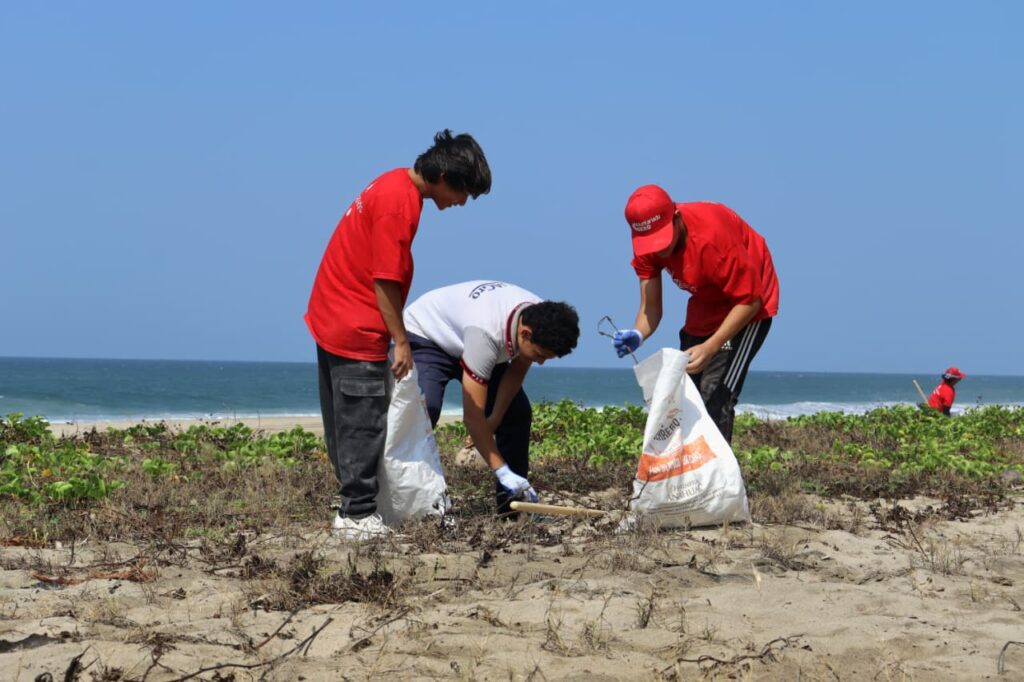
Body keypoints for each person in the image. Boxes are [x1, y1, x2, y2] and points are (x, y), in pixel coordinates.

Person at [305, 130, 491, 540]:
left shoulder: (393, 182)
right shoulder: (399, 203)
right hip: (355, 324)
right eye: (462, 192)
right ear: (442, 175)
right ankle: (357, 515)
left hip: (331, 313)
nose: (462, 202)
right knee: (363, 423)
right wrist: (402, 341)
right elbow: (385, 279)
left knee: (345, 421)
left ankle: (354, 508)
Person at [612, 184, 779, 444]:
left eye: (663, 240)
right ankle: (689, 465)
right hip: (706, 300)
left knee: (716, 393)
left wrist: (711, 347)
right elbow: (650, 309)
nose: (659, 250)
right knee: (685, 394)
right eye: (651, 243)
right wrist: (638, 334)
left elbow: (750, 302)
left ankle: (717, 470)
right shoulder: (646, 244)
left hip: (750, 303)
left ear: (676, 217)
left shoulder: (713, 239)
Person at [403, 280, 579, 514]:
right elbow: (473, 417)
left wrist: (494, 419)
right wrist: (502, 470)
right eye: (539, 355)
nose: (540, 362)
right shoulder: (487, 334)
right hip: (429, 335)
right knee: (425, 410)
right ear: (525, 334)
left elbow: (516, 371)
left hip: (472, 337)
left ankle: (512, 509)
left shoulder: (539, 318)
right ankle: (400, 497)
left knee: (516, 414)